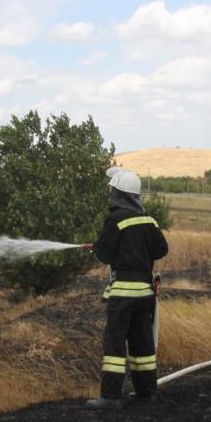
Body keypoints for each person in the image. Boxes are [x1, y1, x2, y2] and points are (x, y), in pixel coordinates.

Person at [85, 167, 168, 409]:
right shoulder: (148, 220)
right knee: (142, 343)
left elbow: (104, 254)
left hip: (123, 293)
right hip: (145, 293)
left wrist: (101, 246)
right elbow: (161, 249)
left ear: (118, 193)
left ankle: (110, 397)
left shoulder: (115, 220)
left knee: (115, 344)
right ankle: (146, 392)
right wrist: (139, 253)